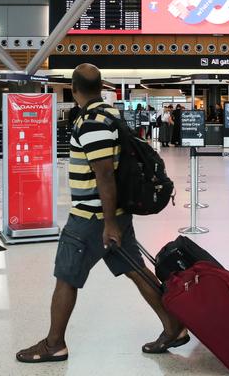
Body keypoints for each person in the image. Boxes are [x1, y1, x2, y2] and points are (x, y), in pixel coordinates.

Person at [16, 64, 188, 365]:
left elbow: (104, 174)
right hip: (113, 213)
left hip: (92, 217)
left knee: (66, 277)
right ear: (101, 87)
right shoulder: (110, 114)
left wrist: (109, 223)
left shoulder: (92, 122)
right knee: (136, 271)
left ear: (74, 88)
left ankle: (54, 344)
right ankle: (173, 326)